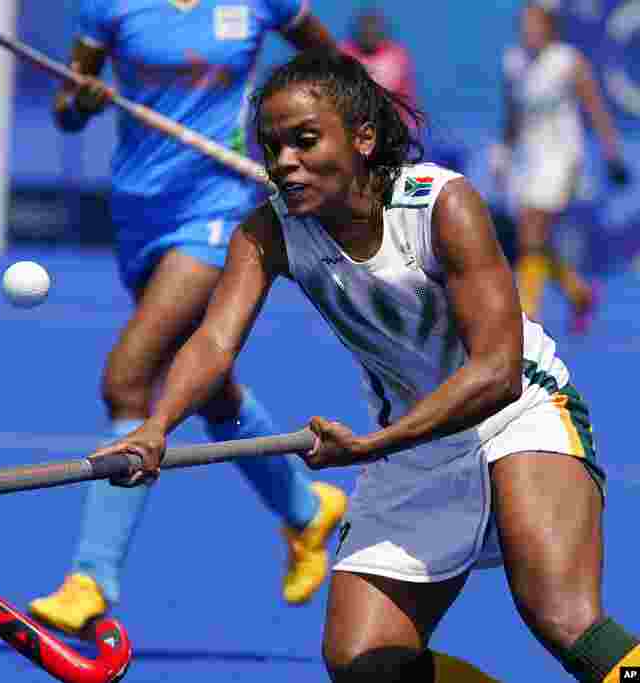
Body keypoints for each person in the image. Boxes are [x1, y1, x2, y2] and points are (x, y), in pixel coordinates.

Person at [92, 49, 639, 682]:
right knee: (364, 667)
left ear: (363, 138)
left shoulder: (441, 205)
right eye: (272, 148)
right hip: (411, 442)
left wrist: (373, 444)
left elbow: (497, 371)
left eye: (304, 141)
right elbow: (215, 343)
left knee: (561, 615)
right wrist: (156, 425)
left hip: (519, 412)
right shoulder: (267, 233)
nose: (285, 163)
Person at [27, 0, 348, 636]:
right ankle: (305, 509)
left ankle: (91, 577)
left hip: (220, 202)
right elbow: (66, 108)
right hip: (140, 207)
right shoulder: (110, 5)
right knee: (201, 383)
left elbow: (333, 71)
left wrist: (288, 132)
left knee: (129, 376)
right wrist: (81, 100)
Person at [493, 2, 629, 333]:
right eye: (524, 25)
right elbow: (512, 116)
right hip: (528, 157)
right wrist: (503, 153)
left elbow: (595, 109)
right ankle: (579, 292)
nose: (528, 32)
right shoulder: (513, 62)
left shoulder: (568, 61)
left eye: (534, 25)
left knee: (531, 229)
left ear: (549, 27)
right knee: (533, 237)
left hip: (564, 156)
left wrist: (612, 154)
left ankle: (528, 316)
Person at [338, 7, 417, 110]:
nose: (369, 33)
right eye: (365, 29)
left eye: (373, 29)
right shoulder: (343, 54)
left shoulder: (396, 57)